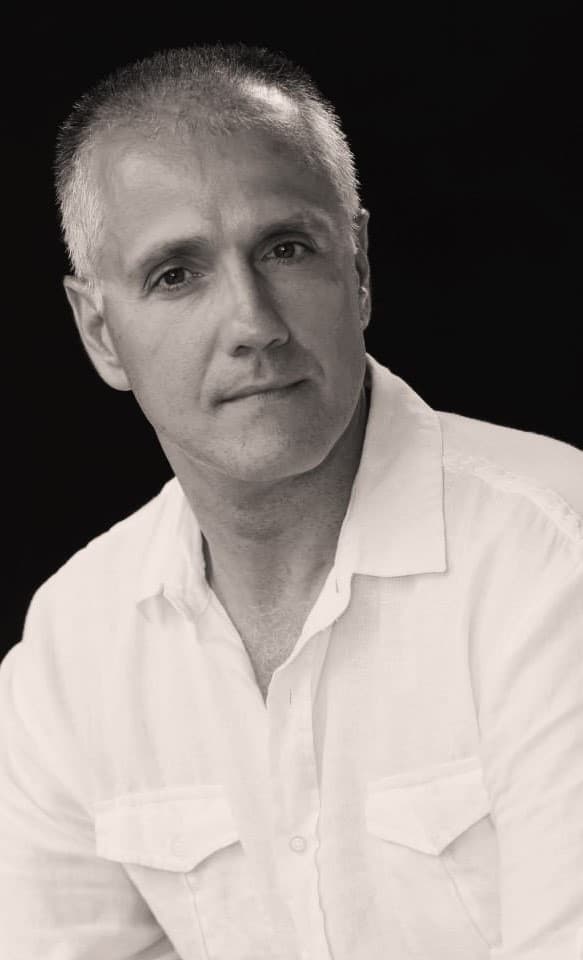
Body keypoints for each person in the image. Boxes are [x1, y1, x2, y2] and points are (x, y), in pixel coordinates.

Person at [0, 42, 581, 960]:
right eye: (176, 274)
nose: (254, 324)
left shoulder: (554, 562)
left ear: (356, 268)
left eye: (285, 248)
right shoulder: (73, 648)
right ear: (99, 330)